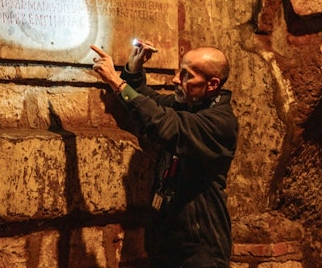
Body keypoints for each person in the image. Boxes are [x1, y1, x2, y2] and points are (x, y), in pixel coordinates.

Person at [91, 41, 238, 268]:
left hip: (199, 248)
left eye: (187, 75)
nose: (176, 79)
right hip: (168, 241)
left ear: (212, 85)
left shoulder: (220, 123)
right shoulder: (191, 105)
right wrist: (134, 68)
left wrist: (116, 82)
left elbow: (162, 123)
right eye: (180, 71)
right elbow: (149, 103)